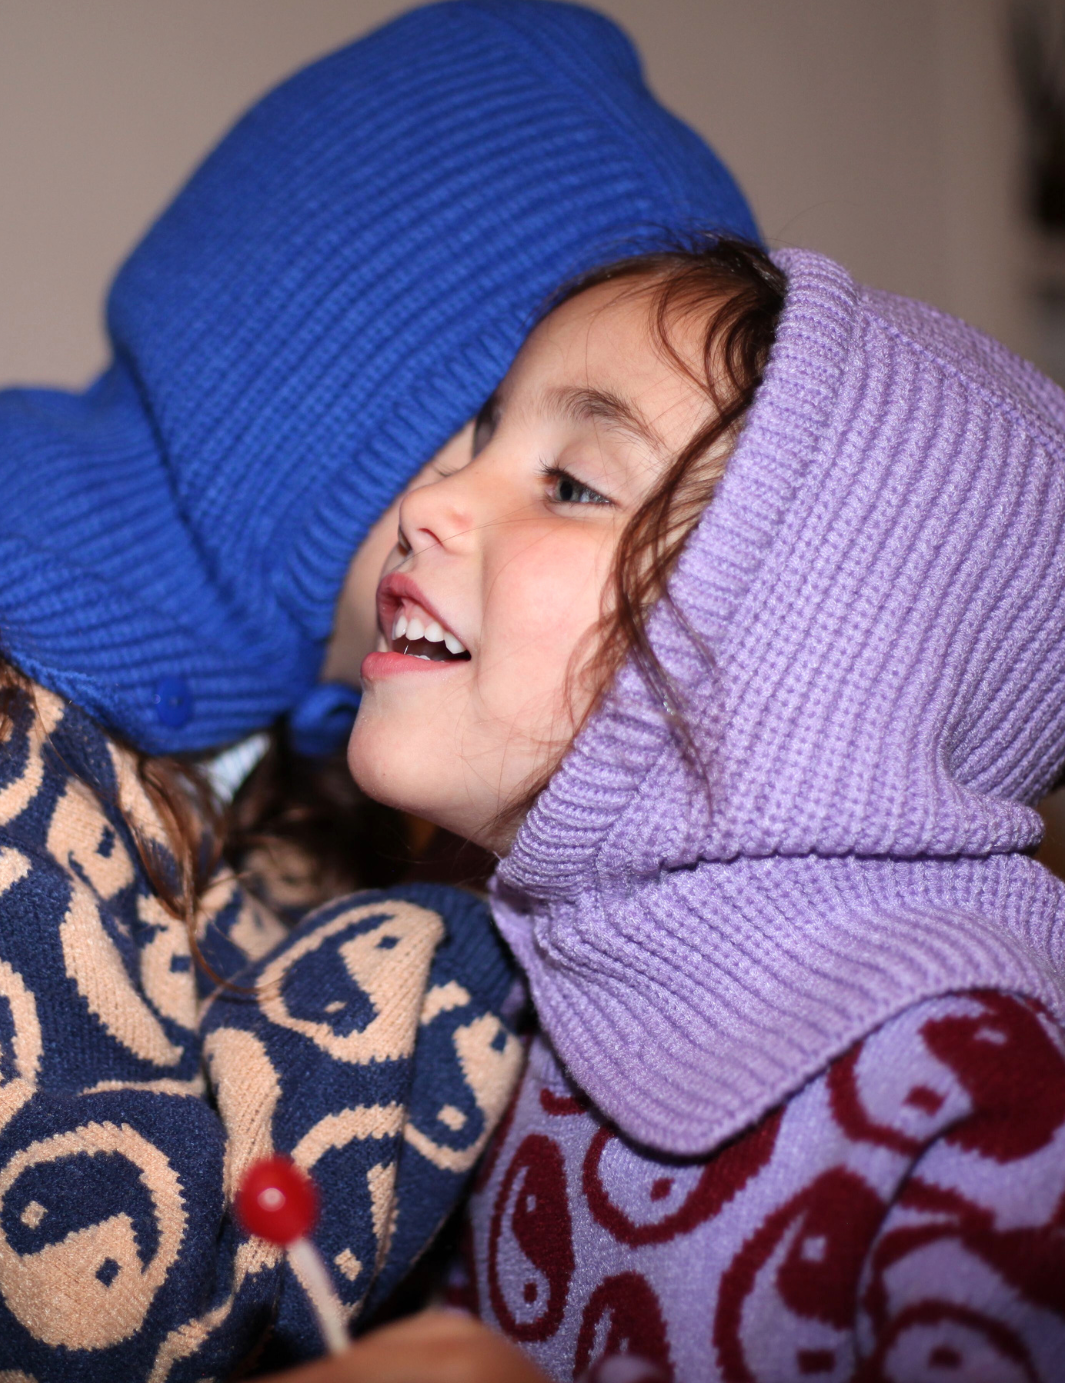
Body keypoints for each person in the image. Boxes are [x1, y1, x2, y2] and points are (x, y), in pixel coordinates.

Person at [0, 0, 760, 1381]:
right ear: (315, 390)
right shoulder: (14, 722)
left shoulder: (289, 768)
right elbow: (97, 1302)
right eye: (499, 432)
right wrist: (476, 935)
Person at [346, 235, 1065, 1380]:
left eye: (573, 484)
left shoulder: (979, 1096)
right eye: (482, 439)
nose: (431, 497)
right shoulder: (502, 986)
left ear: (798, 659)